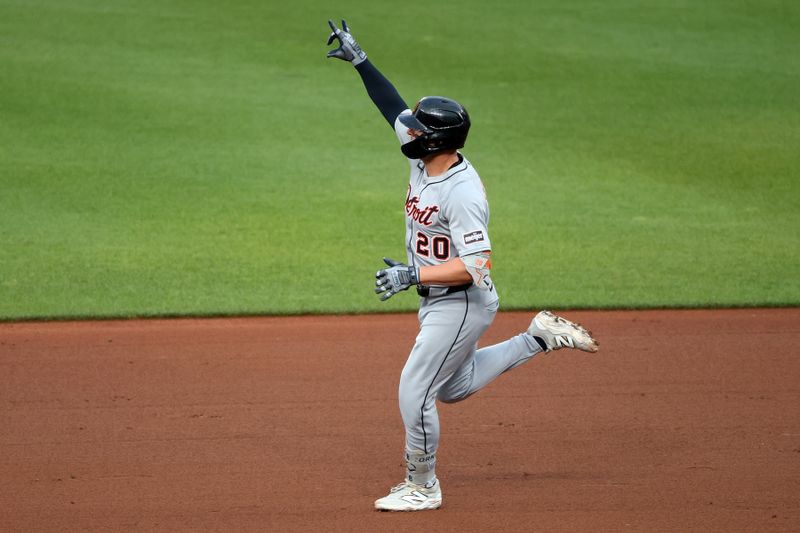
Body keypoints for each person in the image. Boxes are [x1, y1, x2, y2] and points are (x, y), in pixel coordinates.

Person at [326, 20, 599, 512]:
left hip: (462, 301)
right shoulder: (422, 157)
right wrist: (361, 60)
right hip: (440, 301)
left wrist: (412, 274)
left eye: (421, 129)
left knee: (416, 391)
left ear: (439, 141)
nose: (409, 129)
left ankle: (423, 485)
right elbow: (392, 105)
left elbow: (475, 265)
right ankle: (538, 336)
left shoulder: (462, 192)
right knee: (453, 386)